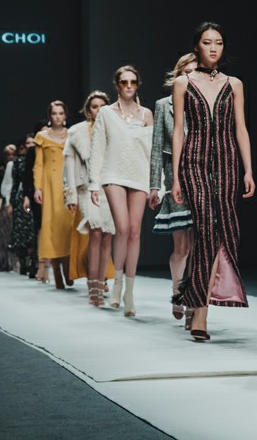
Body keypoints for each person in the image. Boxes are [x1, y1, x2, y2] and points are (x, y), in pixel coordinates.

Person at [172, 22, 255, 341]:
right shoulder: (183, 83)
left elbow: (241, 129)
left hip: (227, 163)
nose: (213, 48)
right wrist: (176, 175)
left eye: (218, 43)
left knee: (224, 230)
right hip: (193, 162)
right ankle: (200, 312)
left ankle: (192, 294)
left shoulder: (234, 84)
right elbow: (178, 131)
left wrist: (248, 170)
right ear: (197, 46)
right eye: (207, 42)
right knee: (206, 227)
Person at [88, 66, 154, 317]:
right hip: (113, 173)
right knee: (123, 228)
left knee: (135, 231)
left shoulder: (146, 114)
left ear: (137, 85)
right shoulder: (106, 113)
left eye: (133, 82)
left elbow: (153, 152)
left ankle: (129, 292)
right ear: (116, 85)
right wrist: (94, 183)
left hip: (140, 174)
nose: (128, 86)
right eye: (124, 82)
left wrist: (156, 185)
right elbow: (97, 147)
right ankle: (116, 283)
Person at [148, 52, 198, 326]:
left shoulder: (206, 102)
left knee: (200, 245)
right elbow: (157, 147)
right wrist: (154, 185)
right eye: (186, 72)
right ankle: (178, 291)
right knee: (182, 245)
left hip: (203, 178)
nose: (190, 77)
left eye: (195, 72)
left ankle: (194, 304)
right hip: (175, 178)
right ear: (177, 75)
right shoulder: (163, 105)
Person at [63, 91, 117, 306]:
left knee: (107, 236)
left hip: (110, 188)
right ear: (88, 110)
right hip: (87, 188)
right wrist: (71, 195)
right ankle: (93, 285)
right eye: (94, 106)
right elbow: (68, 166)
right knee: (95, 233)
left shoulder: (115, 130)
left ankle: (101, 282)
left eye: (103, 106)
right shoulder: (76, 132)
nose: (98, 110)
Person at [33, 101, 75, 289]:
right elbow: (38, 164)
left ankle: (68, 269)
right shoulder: (42, 137)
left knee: (68, 227)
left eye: (61, 113)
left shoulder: (72, 135)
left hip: (67, 183)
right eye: (54, 113)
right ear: (50, 116)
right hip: (49, 185)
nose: (58, 116)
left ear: (65, 116)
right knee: (52, 228)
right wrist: (37, 188)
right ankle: (56, 271)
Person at [9, 133, 39, 278]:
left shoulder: (39, 159)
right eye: (28, 143)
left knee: (34, 231)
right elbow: (15, 183)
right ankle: (23, 261)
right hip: (22, 196)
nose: (31, 145)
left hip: (37, 194)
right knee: (21, 231)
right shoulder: (19, 162)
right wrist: (12, 202)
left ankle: (34, 262)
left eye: (33, 142)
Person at [0, 143, 19, 272]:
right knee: (8, 234)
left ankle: (9, 263)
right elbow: (5, 186)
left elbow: (7, 186)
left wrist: (9, 203)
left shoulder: (11, 166)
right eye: (8, 155)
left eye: (13, 154)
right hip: (9, 203)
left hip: (10, 203)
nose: (11, 157)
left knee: (8, 234)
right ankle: (10, 263)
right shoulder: (9, 166)